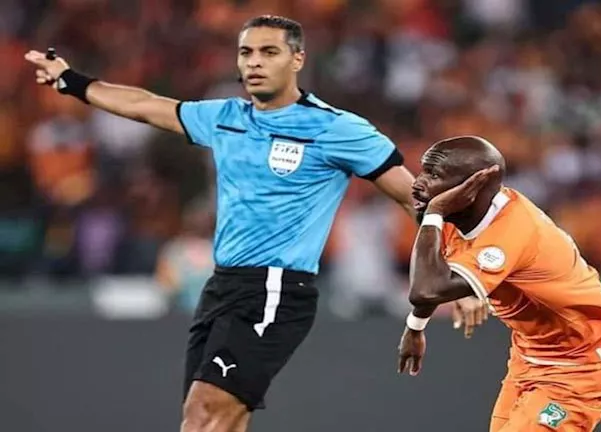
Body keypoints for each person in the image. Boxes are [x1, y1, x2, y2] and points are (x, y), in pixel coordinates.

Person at [24, 15, 487, 432]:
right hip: (221, 287)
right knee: (215, 418)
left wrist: (455, 276)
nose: (254, 62)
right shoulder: (226, 117)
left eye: (269, 52)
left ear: (297, 59)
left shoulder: (337, 129)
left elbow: (414, 199)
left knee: (204, 412)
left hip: (275, 289)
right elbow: (145, 104)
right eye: (246, 52)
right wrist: (70, 80)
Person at [397, 136, 601, 432]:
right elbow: (431, 282)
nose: (417, 183)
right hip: (531, 357)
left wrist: (434, 212)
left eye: (434, 175)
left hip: (586, 364)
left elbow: (426, 290)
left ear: (474, 185)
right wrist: (416, 326)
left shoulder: (511, 232)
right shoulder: (462, 216)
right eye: (423, 171)